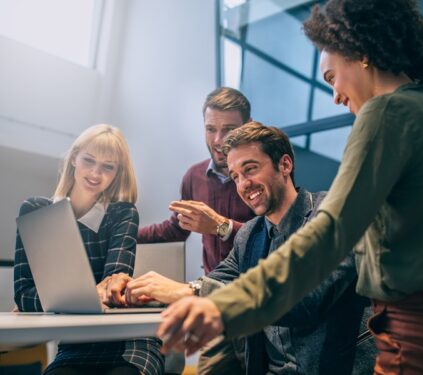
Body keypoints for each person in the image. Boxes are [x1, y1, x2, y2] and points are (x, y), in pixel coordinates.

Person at [156, 1, 423, 374]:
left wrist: (224, 305)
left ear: (361, 54)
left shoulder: (386, 113)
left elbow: (330, 233)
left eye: (331, 77)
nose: (335, 95)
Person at [126, 122, 374, 374]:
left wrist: (192, 293)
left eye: (251, 169)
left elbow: (306, 301)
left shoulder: (330, 213)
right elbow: (217, 281)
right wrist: (142, 290)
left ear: (285, 165)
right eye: (235, 176)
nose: (244, 184)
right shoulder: (249, 235)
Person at [14, 124, 164, 375]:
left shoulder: (122, 213)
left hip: (128, 341)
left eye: (108, 166)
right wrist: (89, 295)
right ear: (74, 158)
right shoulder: (36, 211)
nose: (96, 173)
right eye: (89, 160)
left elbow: (113, 288)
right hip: (76, 343)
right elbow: (23, 295)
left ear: (117, 173)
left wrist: (55, 301)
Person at [138, 87, 255, 274]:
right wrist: (124, 234)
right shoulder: (194, 176)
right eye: (210, 129)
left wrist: (220, 226)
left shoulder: (262, 175)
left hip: (256, 292)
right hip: (210, 290)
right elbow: (175, 230)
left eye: (229, 130)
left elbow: (273, 235)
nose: (218, 140)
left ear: (248, 126)